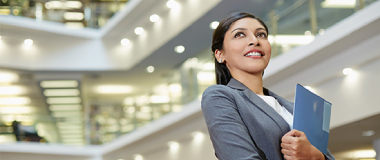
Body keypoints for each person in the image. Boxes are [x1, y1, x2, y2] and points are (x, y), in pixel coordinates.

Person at [201, 11, 335, 160]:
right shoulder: (219, 96)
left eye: (261, 34)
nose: (254, 41)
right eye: (239, 34)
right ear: (220, 54)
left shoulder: (293, 108)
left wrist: (315, 156)